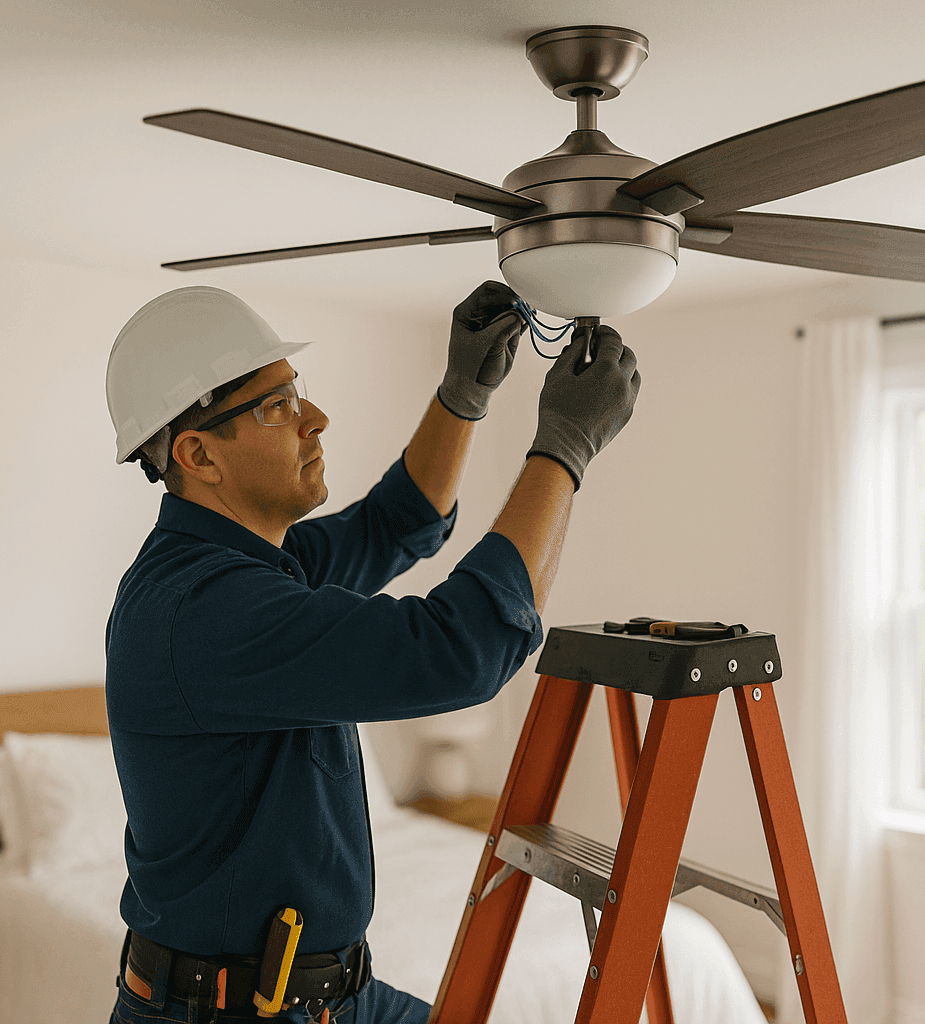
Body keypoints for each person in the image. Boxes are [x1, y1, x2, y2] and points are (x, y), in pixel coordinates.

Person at [102, 281, 639, 1024]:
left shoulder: (254, 565)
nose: (315, 420)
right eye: (279, 408)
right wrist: (566, 447)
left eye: (300, 394)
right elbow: (461, 649)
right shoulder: (206, 611)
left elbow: (397, 525)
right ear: (199, 454)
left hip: (331, 999)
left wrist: (462, 393)